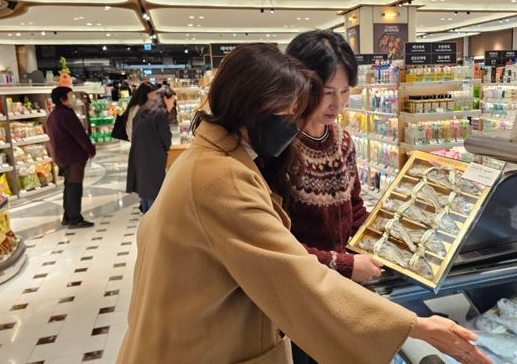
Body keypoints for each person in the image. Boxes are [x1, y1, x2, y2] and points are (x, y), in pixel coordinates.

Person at [116, 44, 490, 364]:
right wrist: (415, 326)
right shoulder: (220, 177)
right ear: (249, 106)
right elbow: (295, 276)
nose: (295, 124)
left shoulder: (213, 158)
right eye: (287, 113)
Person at [281, 30, 381, 363]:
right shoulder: (279, 149)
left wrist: (382, 239)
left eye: (345, 90)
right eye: (326, 92)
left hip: (342, 295)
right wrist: (346, 265)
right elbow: (277, 245)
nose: (337, 104)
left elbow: (354, 207)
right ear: (298, 84)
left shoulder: (343, 140)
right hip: (300, 302)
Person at [46, 86, 96, 229]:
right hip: (73, 156)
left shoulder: (53, 115)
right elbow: (80, 135)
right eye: (71, 96)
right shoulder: (67, 115)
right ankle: (75, 218)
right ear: (63, 99)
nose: (74, 99)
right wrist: (90, 149)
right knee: (75, 186)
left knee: (68, 186)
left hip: (61, 156)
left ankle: (67, 216)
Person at [126, 86, 176, 213]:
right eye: (172, 101)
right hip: (153, 158)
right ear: (166, 98)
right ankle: (153, 220)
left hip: (140, 156)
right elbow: (166, 138)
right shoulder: (160, 113)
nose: (173, 105)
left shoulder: (144, 109)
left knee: (146, 192)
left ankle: (146, 217)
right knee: (154, 195)